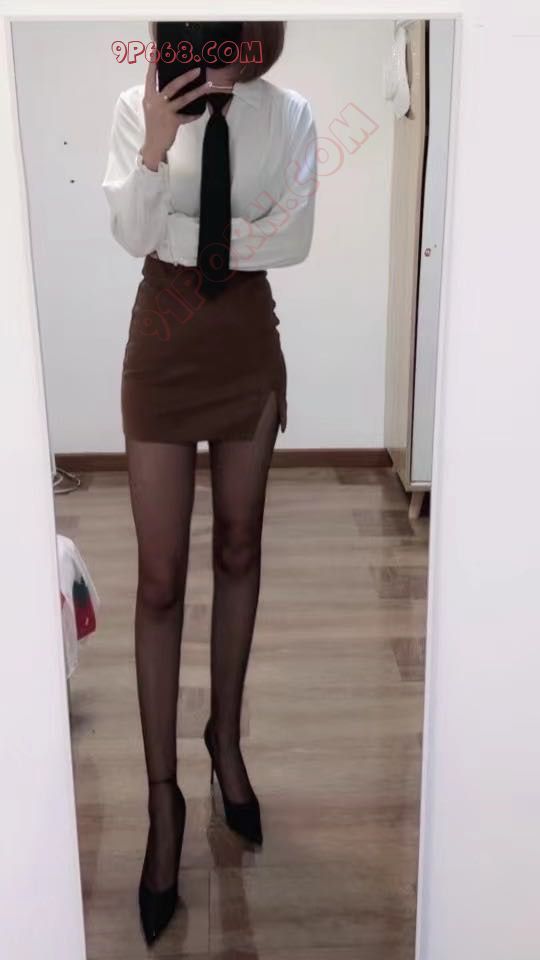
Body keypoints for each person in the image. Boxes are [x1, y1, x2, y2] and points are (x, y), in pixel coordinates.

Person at [102, 19, 317, 945]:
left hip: (244, 343)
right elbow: (130, 233)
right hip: (163, 340)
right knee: (159, 580)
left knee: (239, 547)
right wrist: (155, 145)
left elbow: (293, 240)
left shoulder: (291, 115)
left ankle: (224, 741)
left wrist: (181, 227)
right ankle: (164, 799)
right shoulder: (138, 103)